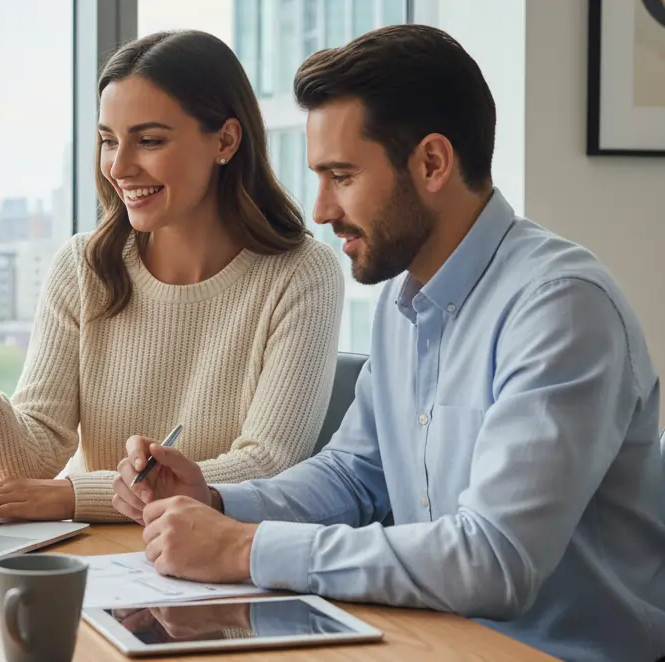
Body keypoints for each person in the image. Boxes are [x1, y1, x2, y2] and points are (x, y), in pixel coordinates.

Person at [112, 24, 665, 662]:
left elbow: (494, 561)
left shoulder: (560, 307)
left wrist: (244, 547)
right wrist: (212, 499)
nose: (319, 209)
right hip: (429, 639)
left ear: (432, 163)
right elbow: (356, 475)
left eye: (341, 175)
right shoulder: (404, 302)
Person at [0, 30, 345, 523]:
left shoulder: (302, 273)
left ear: (226, 140)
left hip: (224, 569)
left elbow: (268, 465)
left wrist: (72, 497)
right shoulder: (83, 266)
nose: (120, 166)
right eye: (109, 141)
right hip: (104, 562)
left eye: (149, 140)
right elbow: (31, 462)